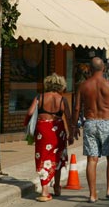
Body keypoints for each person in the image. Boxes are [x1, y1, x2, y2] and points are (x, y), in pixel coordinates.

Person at [69, 57, 109, 203]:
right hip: (106, 123)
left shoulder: (83, 86)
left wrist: (73, 126)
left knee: (92, 159)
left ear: (90, 68)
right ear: (104, 69)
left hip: (89, 123)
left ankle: (92, 194)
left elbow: (76, 108)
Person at [25, 73, 72, 202]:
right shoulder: (62, 100)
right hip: (58, 131)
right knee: (57, 157)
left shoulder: (39, 97)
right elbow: (68, 117)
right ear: (60, 85)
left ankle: (45, 190)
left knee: (43, 158)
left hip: (42, 131)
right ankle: (56, 186)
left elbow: (30, 112)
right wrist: (72, 134)